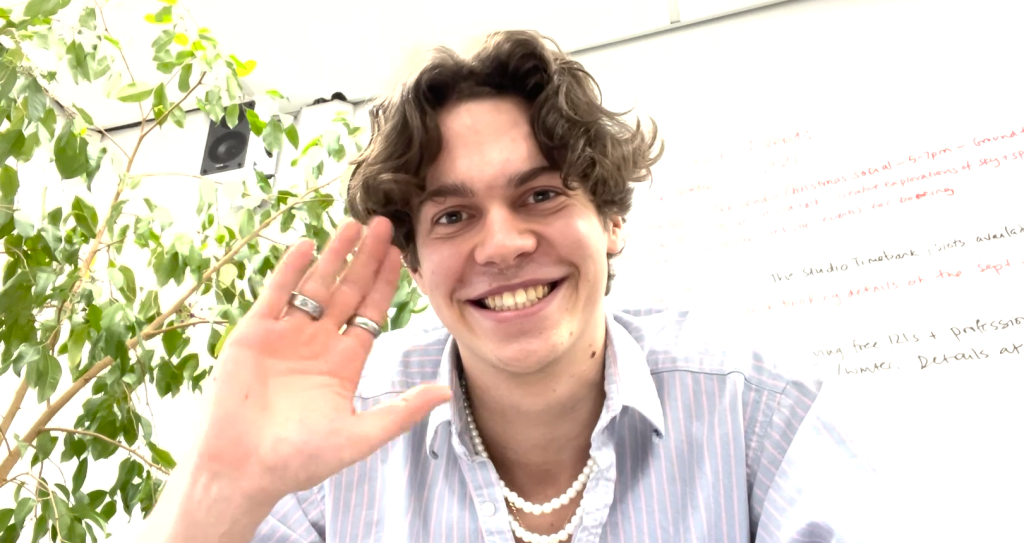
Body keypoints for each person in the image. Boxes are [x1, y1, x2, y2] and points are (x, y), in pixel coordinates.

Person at [140, 31, 880, 543]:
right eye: (454, 214)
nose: (501, 244)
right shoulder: (339, 436)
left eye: (541, 195)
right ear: (416, 265)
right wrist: (221, 480)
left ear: (611, 218)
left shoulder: (760, 409)